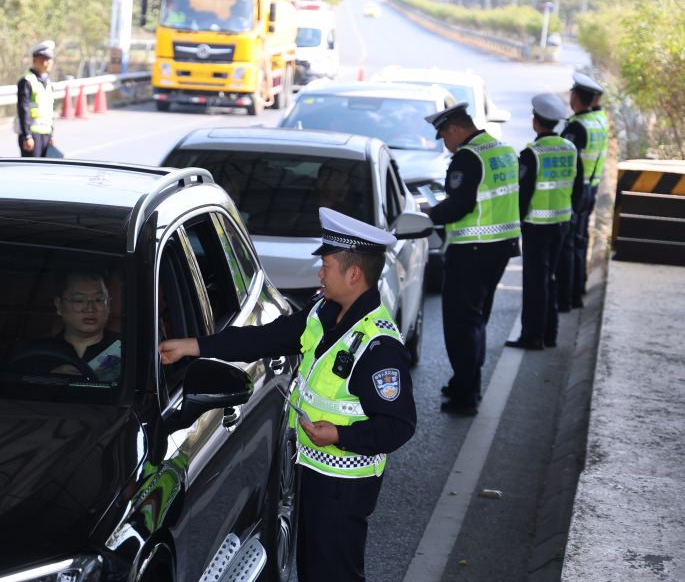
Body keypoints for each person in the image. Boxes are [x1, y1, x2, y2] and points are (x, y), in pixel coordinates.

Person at [159, 207, 416, 582]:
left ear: (354, 274)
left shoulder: (379, 347)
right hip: (313, 472)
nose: (319, 272)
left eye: (326, 265)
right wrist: (194, 345)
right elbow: (262, 338)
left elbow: (399, 426)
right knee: (313, 570)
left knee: (336, 573)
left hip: (346, 487)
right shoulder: (323, 313)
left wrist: (340, 435)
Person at [423, 102, 521, 416]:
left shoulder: (468, 156)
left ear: (454, 129)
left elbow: (461, 205)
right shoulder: (502, 149)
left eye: (443, 136)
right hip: (500, 247)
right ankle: (466, 382)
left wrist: (429, 215)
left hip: (472, 250)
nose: (445, 144)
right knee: (476, 319)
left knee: (461, 324)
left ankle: (466, 396)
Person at [506, 94, 581, 350]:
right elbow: (578, 187)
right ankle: (550, 334)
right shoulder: (570, 149)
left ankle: (533, 336)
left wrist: (516, 225)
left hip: (536, 227)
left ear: (536, 122)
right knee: (550, 279)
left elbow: (522, 194)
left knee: (536, 282)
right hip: (563, 223)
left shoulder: (532, 154)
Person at [556, 71, 608, 312]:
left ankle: (565, 298)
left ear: (576, 97)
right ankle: (577, 292)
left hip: (575, 192)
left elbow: (565, 161)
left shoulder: (577, 127)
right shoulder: (598, 122)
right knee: (579, 242)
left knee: (567, 245)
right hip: (590, 187)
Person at [15, 268, 121, 381]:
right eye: (79, 300)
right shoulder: (35, 354)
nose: (90, 308)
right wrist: (50, 379)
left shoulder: (128, 349)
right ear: (59, 305)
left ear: (108, 304)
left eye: (99, 300)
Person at [16, 40, 56, 158]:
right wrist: (26, 136)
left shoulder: (48, 82)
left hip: (46, 134)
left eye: (49, 59)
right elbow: (23, 110)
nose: (47, 62)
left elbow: (49, 111)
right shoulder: (27, 81)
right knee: (31, 171)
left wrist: (52, 134)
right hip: (32, 135)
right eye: (44, 59)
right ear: (35, 60)